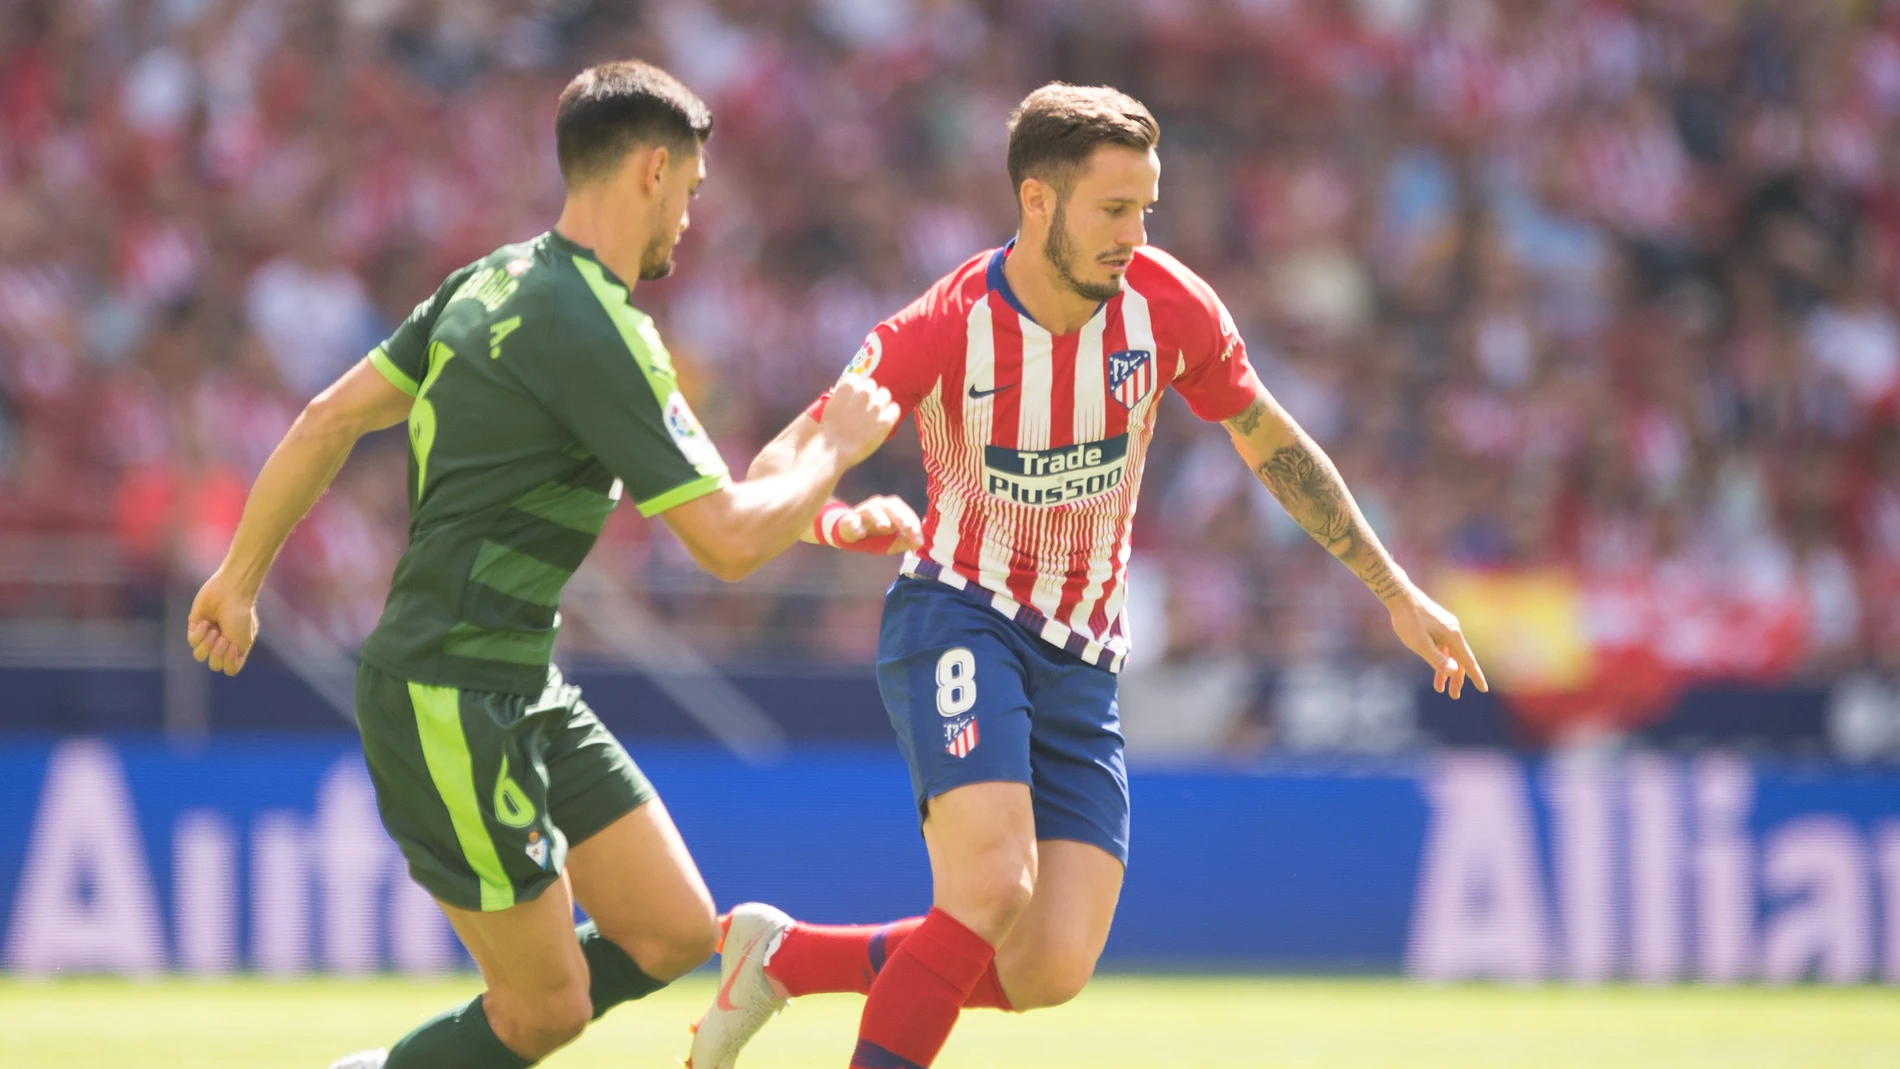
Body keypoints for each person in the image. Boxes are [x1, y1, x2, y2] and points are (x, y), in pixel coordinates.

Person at [689, 82, 1487, 1069]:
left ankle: (783, 957)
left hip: (1083, 660)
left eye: (1146, 207)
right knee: (989, 890)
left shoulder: (1169, 306)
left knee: (1046, 967)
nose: (1135, 232)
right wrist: (842, 519)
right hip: (960, 614)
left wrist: (1395, 591)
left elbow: (1272, 444)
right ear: (1037, 201)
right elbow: (775, 465)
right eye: (1114, 209)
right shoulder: (943, 324)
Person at [184, 60, 917, 1069]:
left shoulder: (491, 281)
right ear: (652, 171)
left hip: (518, 678)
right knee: (545, 1013)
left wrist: (239, 576)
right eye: (692, 193)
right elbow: (726, 542)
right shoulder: (601, 331)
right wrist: (837, 445)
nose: (689, 222)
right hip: (448, 684)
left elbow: (329, 417)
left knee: (667, 928)